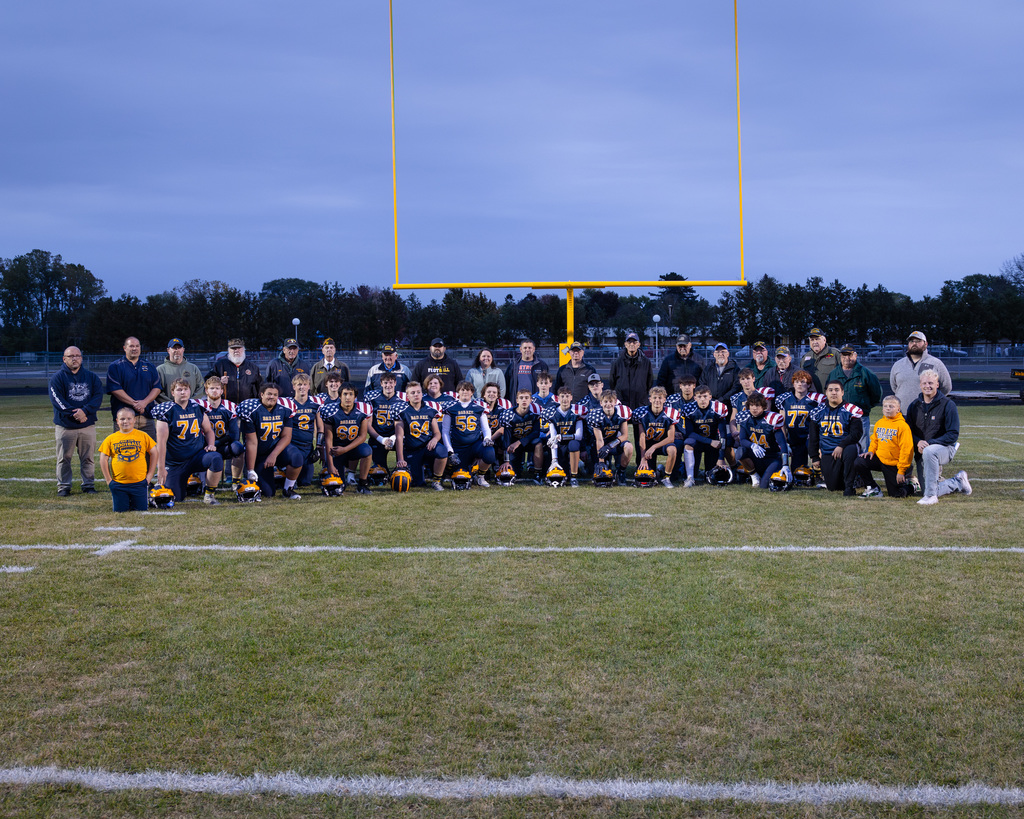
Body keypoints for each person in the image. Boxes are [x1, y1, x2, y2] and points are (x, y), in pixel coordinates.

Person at [151, 378, 223, 504]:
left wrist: (211, 444)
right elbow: (161, 443)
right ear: (172, 393)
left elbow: (209, 431)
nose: (183, 392)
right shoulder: (166, 411)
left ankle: (209, 495)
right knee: (176, 498)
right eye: (179, 390)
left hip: (196, 457)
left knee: (215, 458)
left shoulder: (198, 407)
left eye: (185, 389)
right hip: (175, 463)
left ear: (190, 391)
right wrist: (161, 468)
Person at [906, 370, 971, 505]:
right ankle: (957, 482)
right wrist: (918, 442)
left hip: (944, 448)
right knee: (926, 487)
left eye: (931, 383)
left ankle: (931, 497)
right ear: (920, 385)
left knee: (930, 452)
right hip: (921, 451)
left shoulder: (948, 404)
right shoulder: (914, 406)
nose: (927, 386)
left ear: (937, 384)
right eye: (924, 383)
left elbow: (953, 434)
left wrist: (929, 443)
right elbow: (908, 431)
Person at [50, 346, 104, 497]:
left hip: (87, 425)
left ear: (81, 358)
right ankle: (64, 486)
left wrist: (85, 411)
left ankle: (88, 485)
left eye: (78, 356)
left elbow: (98, 397)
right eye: (71, 356)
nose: (75, 358)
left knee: (88, 457)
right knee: (64, 458)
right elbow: (57, 400)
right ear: (64, 359)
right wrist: (76, 414)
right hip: (65, 426)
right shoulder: (57, 378)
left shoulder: (91, 377)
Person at [239, 382, 305, 499]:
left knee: (297, 456)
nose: (272, 397)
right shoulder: (251, 409)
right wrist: (250, 469)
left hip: (277, 451)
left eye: (275, 395)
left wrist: (274, 454)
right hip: (260, 454)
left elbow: (286, 436)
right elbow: (251, 442)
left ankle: (288, 489)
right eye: (269, 394)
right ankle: (252, 476)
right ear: (261, 394)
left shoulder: (285, 408)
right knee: (268, 493)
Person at [809, 380, 863, 496]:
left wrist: (841, 445)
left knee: (851, 449)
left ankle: (850, 486)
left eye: (837, 390)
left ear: (842, 392)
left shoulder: (851, 410)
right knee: (833, 487)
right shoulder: (817, 412)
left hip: (845, 448)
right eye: (831, 390)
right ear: (826, 393)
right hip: (828, 451)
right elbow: (813, 437)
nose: (834, 393)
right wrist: (814, 457)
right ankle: (851, 479)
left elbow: (856, 434)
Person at [99, 407, 158, 512]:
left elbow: (154, 452)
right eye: (122, 419)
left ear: (134, 420)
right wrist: (109, 480)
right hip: (119, 484)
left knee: (141, 509)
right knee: (120, 510)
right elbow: (103, 459)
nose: (125, 421)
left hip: (139, 483)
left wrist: (149, 476)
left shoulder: (143, 435)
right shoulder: (111, 438)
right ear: (117, 421)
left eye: (129, 418)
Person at [855, 395, 914, 498]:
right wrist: (871, 451)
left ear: (898, 409)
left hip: (894, 463)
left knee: (896, 494)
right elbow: (875, 440)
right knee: (860, 461)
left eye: (891, 406)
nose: (887, 408)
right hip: (880, 459)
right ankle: (873, 488)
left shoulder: (903, 426)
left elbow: (906, 450)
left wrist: (901, 470)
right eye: (885, 406)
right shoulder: (879, 423)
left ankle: (912, 485)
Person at [320, 382, 373, 495]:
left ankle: (363, 484)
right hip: (335, 451)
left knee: (367, 450)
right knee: (338, 487)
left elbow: (363, 436)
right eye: (344, 394)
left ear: (355, 396)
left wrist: (345, 449)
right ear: (339, 396)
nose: (347, 397)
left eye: (350, 394)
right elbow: (328, 439)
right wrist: (330, 465)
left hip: (351, 448)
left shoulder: (362, 412)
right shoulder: (330, 411)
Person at [395, 380, 448, 490]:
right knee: (418, 483)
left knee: (442, 451)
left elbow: (437, 433)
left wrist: (434, 439)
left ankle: (436, 481)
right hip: (412, 449)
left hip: (427, 447)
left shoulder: (429, 409)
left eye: (418, 392)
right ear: (407, 395)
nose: (416, 395)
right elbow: (399, 437)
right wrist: (400, 459)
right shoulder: (402, 411)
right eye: (413, 393)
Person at [827, 345, 882, 451]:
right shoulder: (834, 374)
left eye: (850, 355)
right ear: (840, 357)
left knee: (862, 448)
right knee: (840, 447)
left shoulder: (865, 373)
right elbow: (828, 393)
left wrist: (865, 406)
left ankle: (862, 467)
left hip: (860, 417)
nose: (847, 358)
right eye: (844, 355)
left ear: (856, 356)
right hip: (839, 417)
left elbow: (876, 394)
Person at [194, 375, 245, 486]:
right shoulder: (199, 405)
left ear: (222, 391)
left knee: (238, 448)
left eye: (217, 388)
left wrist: (215, 444)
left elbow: (234, 434)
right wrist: (208, 445)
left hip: (222, 443)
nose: (215, 391)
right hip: (203, 445)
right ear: (206, 391)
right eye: (212, 388)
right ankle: (197, 478)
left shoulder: (229, 406)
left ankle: (235, 482)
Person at [889, 331, 953, 415]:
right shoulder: (898, 364)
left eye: (918, 341)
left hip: (927, 414)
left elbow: (946, 387)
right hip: (902, 414)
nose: (914, 343)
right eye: (911, 341)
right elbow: (895, 387)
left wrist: (932, 400)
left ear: (925, 344)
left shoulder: (936, 363)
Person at [106, 336, 162, 432]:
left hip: (147, 417)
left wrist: (144, 403)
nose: (134, 349)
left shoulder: (150, 366)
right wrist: (134, 403)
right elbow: (115, 389)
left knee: (150, 446)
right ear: (125, 348)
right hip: (124, 418)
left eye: (137, 346)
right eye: (131, 346)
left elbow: (156, 388)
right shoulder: (115, 366)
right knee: (125, 446)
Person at [735, 392, 789, 490]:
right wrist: (752, 445)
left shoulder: (772, 419)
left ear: (763, 406)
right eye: (751, 405)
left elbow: (782, 443)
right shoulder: (744, 417)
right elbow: (742, 440)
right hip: (756, 456)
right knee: (740, 451)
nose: (754, 408)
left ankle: (768, 474)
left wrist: (785, 464)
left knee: (764, 486)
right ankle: (754, 475)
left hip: (771, 457)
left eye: (757, 405)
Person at [277, 372, 323, 486]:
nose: (302, 387)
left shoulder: (316, 403)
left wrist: (318, 446)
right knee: (293, 477)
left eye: (304, 384)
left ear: (309, 386)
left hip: (307, 447)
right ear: (293, 386)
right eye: (298, 384)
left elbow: (320, 427)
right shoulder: (287, 403)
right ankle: (282, 467)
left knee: (305, 482)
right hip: (292, 445)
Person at [775, 370, 824, 469]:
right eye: (797, 382)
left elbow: (821, 422)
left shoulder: (815, 399)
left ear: (809, 385)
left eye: (803, 382)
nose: (799, 384)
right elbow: (782, 423)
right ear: (793, 384)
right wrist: (783, 442)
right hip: (794, 437)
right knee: (797, 470)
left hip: (810, 437)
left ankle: (821, 475)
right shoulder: (784, 399)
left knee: (818, 462)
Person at [681, 386, 730, 487]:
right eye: (699, 397)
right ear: (695, 398)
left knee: (710, 474)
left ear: (710, 397)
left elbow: (723, 434)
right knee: (688, 442)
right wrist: (709, 441)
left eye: (705, 396)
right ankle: (690, 477)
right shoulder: (689, 409)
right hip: (698, 442)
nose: (702, 399)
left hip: (713, 445)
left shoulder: (718, 408)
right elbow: (689, 433)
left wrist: (721, 457)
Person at [634, 387, 679, 488]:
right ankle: (659, 471)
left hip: (663, 444)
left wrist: (654, 447)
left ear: (664, 400)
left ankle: (667, 477)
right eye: (654, 398)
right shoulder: (642, 413)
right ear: (650, 399)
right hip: (647, 444)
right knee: (648, 475)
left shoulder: (670, 413)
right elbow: (641, 436)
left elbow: (671, 438)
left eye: (660, 398)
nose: (657, 400)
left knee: (672, 449)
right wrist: (643, 457)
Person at [495, 390, 544, 480]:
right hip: (513, 446)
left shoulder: (536, 411)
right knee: (515, 474)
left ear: (531, 400)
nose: (524, 400)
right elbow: (507, 438)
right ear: (517, 400)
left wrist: (519, 442)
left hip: (528, 442)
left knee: (538, 443)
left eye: (526, 398)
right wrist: (507, 460)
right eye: (521, 398)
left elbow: (536, 433)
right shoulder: (508, 415)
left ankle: (538, 473)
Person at [589, 389, 634, 486]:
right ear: (601, 403)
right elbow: (599, 439)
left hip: (615, 443)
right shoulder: (596, 416)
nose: (608, 404)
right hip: (601, 444)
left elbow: (624, 436)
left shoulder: (622, 413)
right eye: (605, 401)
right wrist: (601, 461)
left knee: (629, 447)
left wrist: (609, 446)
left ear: (615, 402)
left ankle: (621, 472)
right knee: (598, 467)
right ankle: (603, 464)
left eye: (611, 401)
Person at [543, 387, 584, 486]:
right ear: (558, 398)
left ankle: (574, 477)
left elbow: (579, 436)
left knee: (574, 444)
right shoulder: (552, 413)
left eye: (567, 396)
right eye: (562, 396)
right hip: (559, 445)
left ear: (571, 398)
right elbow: (553, 438)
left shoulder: (576, 412)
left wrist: (561, 437)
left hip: (571, 443)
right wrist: (554, 460)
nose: (565, 399)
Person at [207, 338, 262, 405]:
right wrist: (219, 381)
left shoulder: (253, 367)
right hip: (225, 405)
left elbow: (260, 387)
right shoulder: (219, 365)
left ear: (244, 349)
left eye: (239, 348)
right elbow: (207, 381)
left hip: (247, 406)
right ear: (228, 350)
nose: (236, 350)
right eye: (233, 348)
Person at [607, 332, 653, 413]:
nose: (632, 344)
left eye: (634, 342)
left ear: (638, 344)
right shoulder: (617, 362)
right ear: (625, 344)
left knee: (639, 425)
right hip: (622, 404)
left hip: (640, 404)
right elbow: (612, 382)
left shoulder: (646, 362)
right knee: (623, 425)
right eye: (629, 342)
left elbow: (649, 382)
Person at [156, 338, 204, 403]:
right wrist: (172, 405)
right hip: (169, 410)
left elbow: (200, 388)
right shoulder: (160, 370)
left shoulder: (193, 368)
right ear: (168, 350)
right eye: (174, 348)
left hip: (191, 409)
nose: (177, 350)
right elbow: (157, 391)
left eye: (179, 348)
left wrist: (190, 403)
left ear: (183, 350)